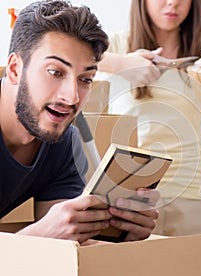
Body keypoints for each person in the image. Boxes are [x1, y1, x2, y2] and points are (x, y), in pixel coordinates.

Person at [98, 0, 201, 248]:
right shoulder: (118, 45)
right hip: (131, 200)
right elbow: (68, 54)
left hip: (194, 197)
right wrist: (122, 64)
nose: (173, 3)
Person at [0, 0, 159, 245]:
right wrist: (35, 237)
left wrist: (122, 239)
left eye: (85, 79)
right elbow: (40, 242)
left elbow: (61, 249)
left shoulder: (63, 145)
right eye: (55, 72)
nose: (72, 96)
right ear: (14, 69)